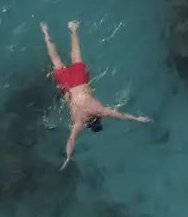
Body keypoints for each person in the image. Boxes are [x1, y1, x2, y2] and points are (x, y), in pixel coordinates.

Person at [41, 20, 151, 168]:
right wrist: (67, 157)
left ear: (99, 119)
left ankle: (73, 29)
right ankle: (46, 33)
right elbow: (71, 140)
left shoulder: (100, 110)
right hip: (68, 88)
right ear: (88, 125)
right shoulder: (79, 122)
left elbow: (123, 116)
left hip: (80, 81)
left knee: (76, 55)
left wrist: (138, 119)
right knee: (56, 61)